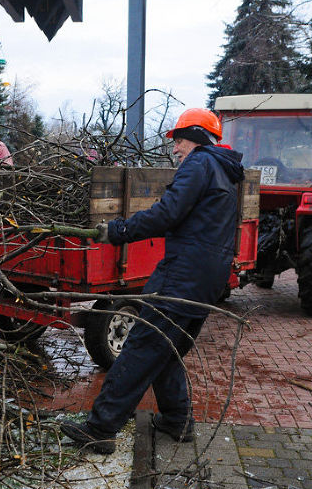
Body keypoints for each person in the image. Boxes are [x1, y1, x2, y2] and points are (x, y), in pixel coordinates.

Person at [59, 108, 245, 454]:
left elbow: (167, 213)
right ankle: (178, 420)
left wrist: (117, 231)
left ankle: (100, 429)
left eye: (179, 140)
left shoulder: (200, 163)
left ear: (197, 137)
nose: (175, 149)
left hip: (183, 273)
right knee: (167, 347)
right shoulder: (226, 172)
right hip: (209, 277)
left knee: (142, 345)